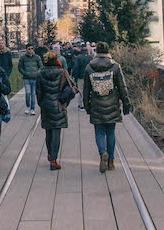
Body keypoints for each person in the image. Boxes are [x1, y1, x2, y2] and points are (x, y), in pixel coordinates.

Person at [83, 43, 132, 173]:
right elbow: (122, 88)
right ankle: (110, 161)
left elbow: (86, 89)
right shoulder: (115, 66)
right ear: (108, 51)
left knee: (99, 132)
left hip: (96, 104)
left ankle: (102, 152)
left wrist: (87, 106)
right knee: (111, 133)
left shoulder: (89, 67)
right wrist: (126, 105)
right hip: (112, 104)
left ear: (96, 52)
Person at [35, 52, 74, 170]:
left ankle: (49, 153)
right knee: (56, 132)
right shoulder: (62, 72)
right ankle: (53, 159)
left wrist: (41, 104)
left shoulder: (40, 73)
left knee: (48, 132)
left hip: (46, 105)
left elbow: (38, 92)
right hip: (59, 105)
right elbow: (71, 87)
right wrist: (64, 101)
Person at [18, 46, 43, 115]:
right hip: (27, 78)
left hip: (34, 78)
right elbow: (20, 67)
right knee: (28, 93)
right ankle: (28, 107)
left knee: (33, 94)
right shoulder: (23, 58)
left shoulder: (37, 57)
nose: (30, 50)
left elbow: (41, 67)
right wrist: (24, 73)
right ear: (26, 50)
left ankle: (32, 108)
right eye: (29, 49)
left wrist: (37, 73)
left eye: (32, 49)